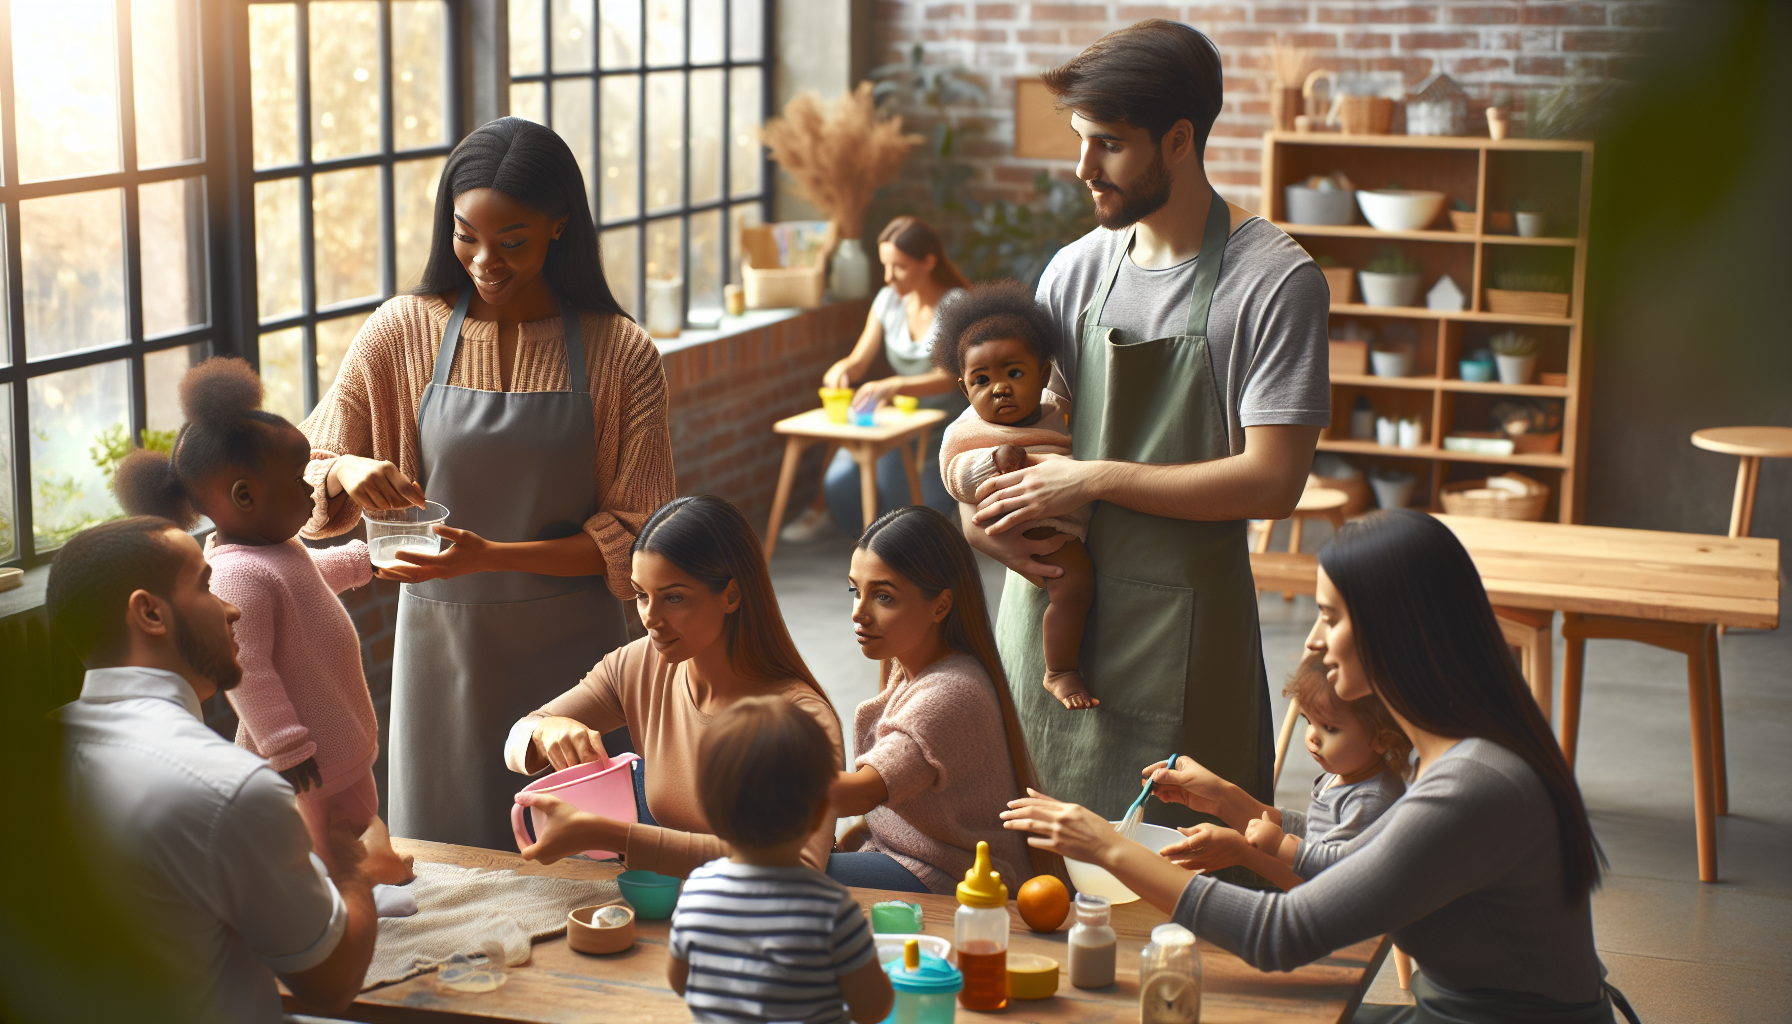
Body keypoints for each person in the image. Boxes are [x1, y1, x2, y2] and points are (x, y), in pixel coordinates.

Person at [1002, 510, 1634, 1024]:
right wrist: (1235, 804)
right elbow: (1362, 859)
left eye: (1329, 617)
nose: (1312, 641)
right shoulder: (1464, 755)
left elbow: (1283, 933)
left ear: (1394, 630)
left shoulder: (1474, 783)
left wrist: (1109, 847)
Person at [961, 20, 1329, 844]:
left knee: (1186, 896)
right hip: (1054, 625)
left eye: (1109, 145)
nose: (1083, 168)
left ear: (1179, 139)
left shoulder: (1272, 282)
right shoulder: (1075, 270)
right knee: (1035, 893)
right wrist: (973, 513)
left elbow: (1273, 479)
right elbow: (998, 423)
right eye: (1081, 141)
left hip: (1184, 641)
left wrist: (1090, 478)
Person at [299, 117, 674, 850]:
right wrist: (346, 467)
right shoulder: (401, 330)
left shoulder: (621, 353)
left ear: (559, 226)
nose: (483, 260)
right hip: (439, 652)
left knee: (583, 860)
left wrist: (490, 555)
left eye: (513, 242)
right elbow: (306, 462)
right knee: (445, 856)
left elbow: (636, 540)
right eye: (466, 235)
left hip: (575, 659)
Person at [48, 518, 379, 1022]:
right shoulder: (230, 788)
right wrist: (359, 868)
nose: (232, 607)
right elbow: (330, 983)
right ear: (150, 613)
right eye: (205, 584)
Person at [113, 357, 412, 885]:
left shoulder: (274, 549)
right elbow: (246, 666)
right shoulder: (238, 576)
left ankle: (363, 880)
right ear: (245, 496)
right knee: (312, 844)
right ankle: (341, 901)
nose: (311, 492)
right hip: (303, 755)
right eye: (299, 480)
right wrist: (284, 744)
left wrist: (365, 561)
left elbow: (305, 579)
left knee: (352, 819)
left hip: (336, 734)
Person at [504, 495, 843, 877]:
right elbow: (516, 742)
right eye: (641, 595)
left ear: (731, 595)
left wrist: (615, 836)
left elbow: (795, 867)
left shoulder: (803, 718)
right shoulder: (638, 665)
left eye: (674, 598)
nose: (650, 617)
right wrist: (545, 729)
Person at [827, 505, 1050, 895]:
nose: (858, 613)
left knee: (763, 876)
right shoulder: (911, 666)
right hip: (899, 855)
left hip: (951, 876)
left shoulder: (952, 692)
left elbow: (859, 793)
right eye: (854, 590)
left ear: (941, 605)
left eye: (883, 596)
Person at [668, 697, 893, 1024]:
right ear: (820, 814)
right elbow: (874, 1009)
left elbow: (679, 981)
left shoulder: (695, 891)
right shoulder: (833, 911)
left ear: (710, 813)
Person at [932, 282, 1097, 711]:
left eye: (1014, 373)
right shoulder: (971, 432)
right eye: (982, 380)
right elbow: (955, 476)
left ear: (1043, 374)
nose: (999, 388)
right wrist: (993, 461)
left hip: (1067, 507)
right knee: (1074, 585)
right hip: (1034, 524)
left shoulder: (1051, 411)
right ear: (965, 389)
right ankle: (1060, 669)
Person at [783, 217, 970, 540]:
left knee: (915, 507)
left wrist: (894, 385)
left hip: (944, 426)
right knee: (837, 484)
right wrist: (841, 370)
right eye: (884, 265)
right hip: (899, 417)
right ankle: (873, 539)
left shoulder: (956, 306)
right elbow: (858, 361)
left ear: (928, 262)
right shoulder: (888, 301)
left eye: (898, 267)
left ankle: (899, 545)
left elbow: (953, 375)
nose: (887, 277)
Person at [1242, 655, 1409, 884]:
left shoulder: (1371, 798)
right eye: (1308, 720)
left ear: (1382, 738)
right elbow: (1321, 831)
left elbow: (1339, 868)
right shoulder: (1347, 771)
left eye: (1329, 728)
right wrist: (1284, 821)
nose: (1312, 736)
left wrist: (1282, 844)